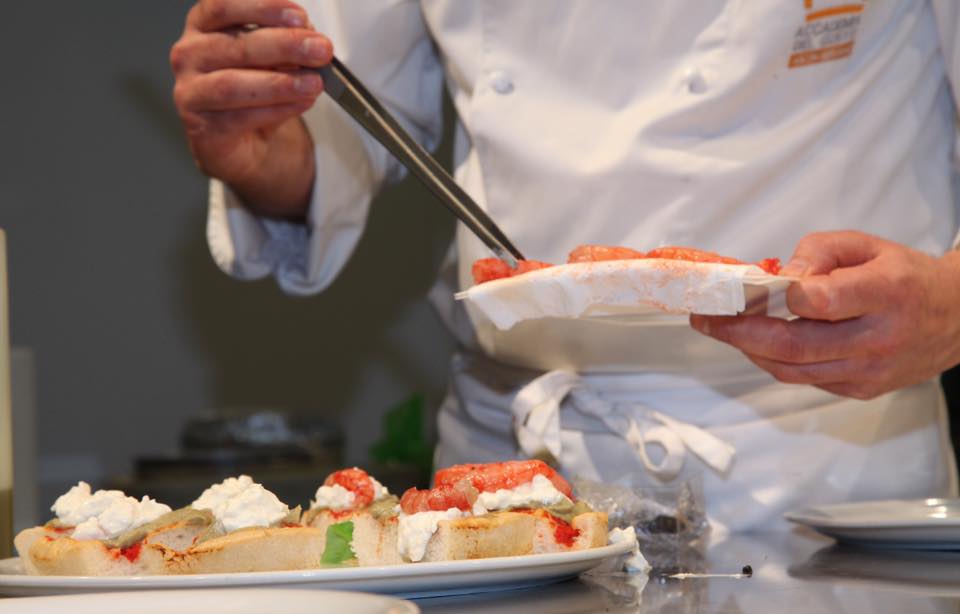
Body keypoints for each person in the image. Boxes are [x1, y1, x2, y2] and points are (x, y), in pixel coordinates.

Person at [171, 1, 960, 530]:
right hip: (509, 473)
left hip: (825, 465)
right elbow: (337, 106)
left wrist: (952, 305)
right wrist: (264, 146)